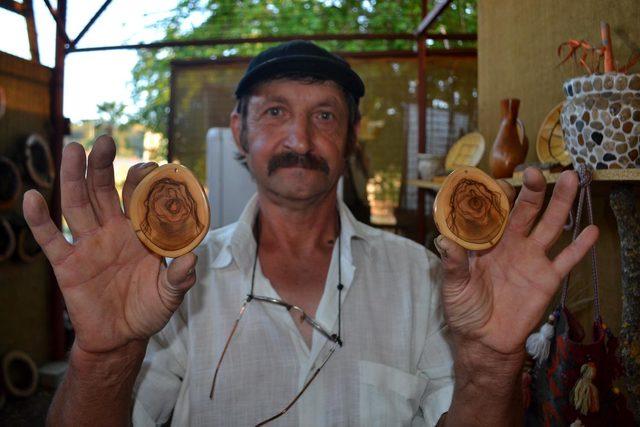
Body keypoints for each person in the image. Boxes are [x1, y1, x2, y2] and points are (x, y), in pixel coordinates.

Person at [23, 41, 598, 426]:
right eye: (274, 112)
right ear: (238, 133)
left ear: (350, 138)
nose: (299, 137)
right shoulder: (169, 285)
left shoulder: (425, 278)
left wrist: (492, 363)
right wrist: (103, 357)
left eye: (324, 115)